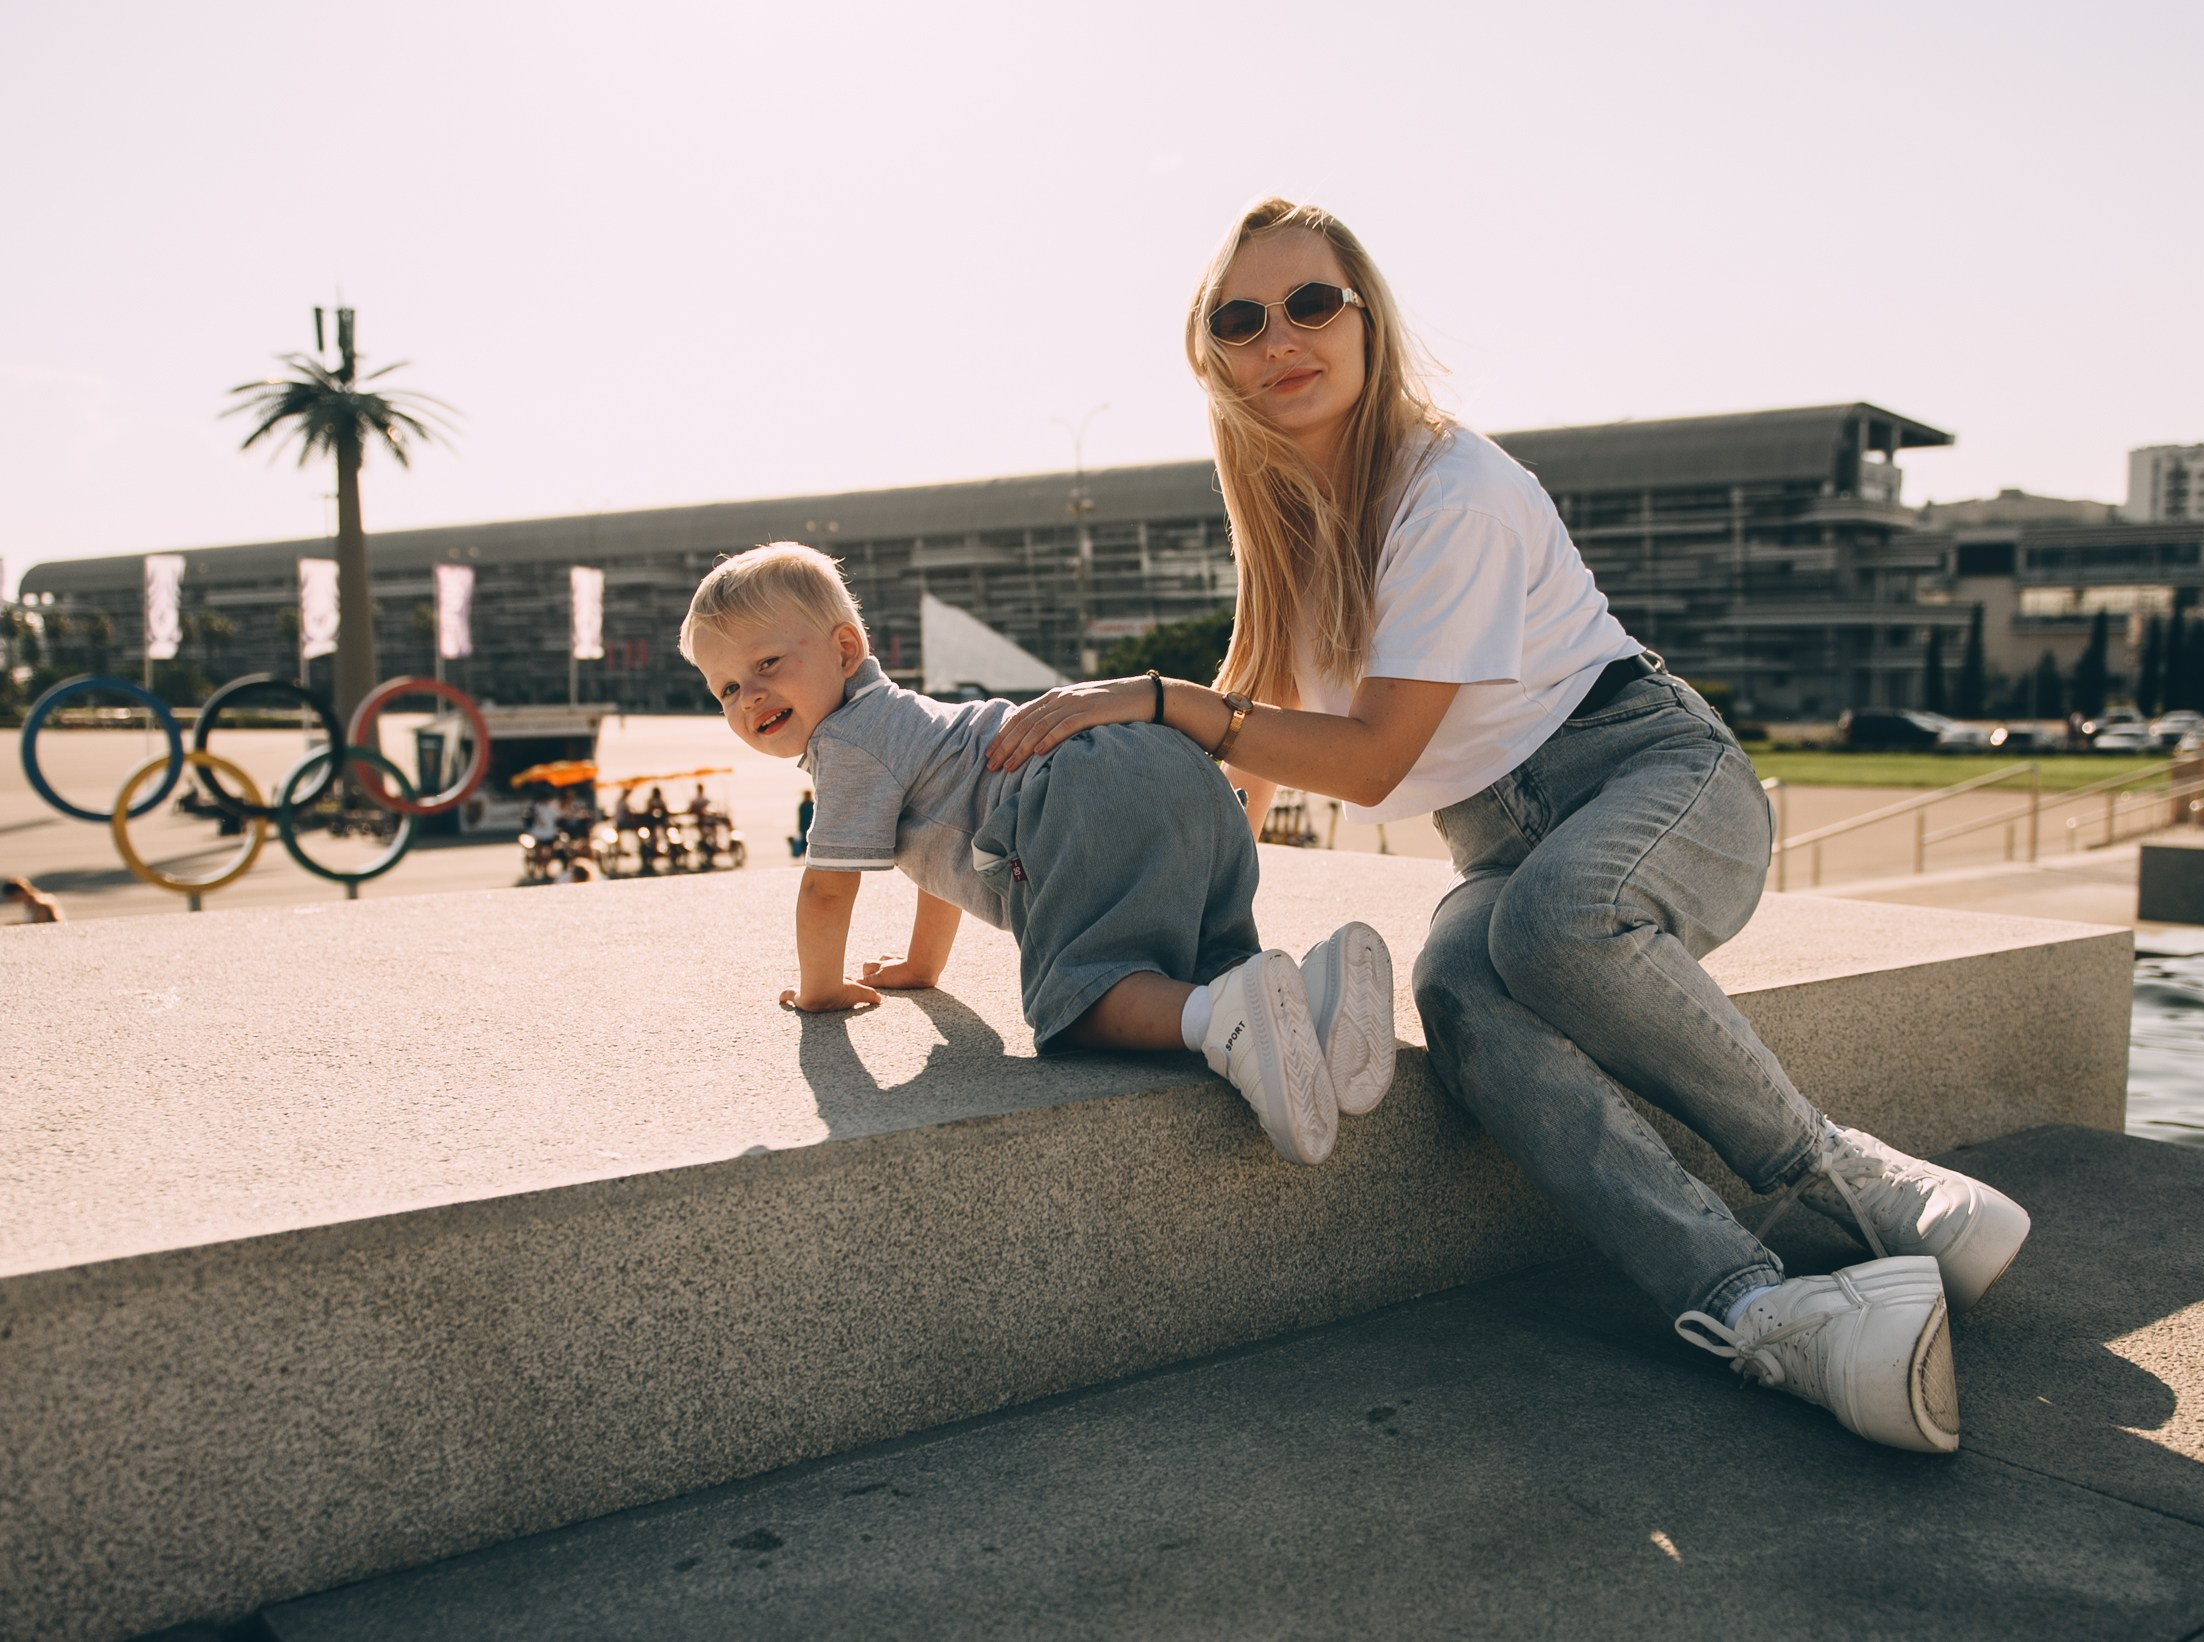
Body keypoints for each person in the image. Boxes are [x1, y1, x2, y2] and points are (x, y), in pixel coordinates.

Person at [983, 198, 2031, 1454]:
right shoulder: (1288, 513)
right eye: (1240, 321)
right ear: (1213, 357)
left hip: (1655, 775)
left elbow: (1369, 757)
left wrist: (1156, 699)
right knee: (1458, 991)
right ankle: (1753, 1306)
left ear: (1367, 319)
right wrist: (1218, 963)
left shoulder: (1454, 493)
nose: (1280, 340)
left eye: (1311, 304)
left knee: (1550, 926)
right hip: (1503, 840)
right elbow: (1253, 721)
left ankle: (1848, 1178)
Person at [679, 542, 1396, 1165]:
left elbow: (827, 890)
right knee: (1201, 962)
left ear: (844, 650)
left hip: (1079, 797)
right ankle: (1315, 1002)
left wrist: (820, 991)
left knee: (1082, 1000)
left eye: (767, 663)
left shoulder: (848, 742)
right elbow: (943, 856)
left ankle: (1227, 1021)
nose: (751, 697)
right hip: (1174, 767)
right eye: (727, 689)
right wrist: (923, 969)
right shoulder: (911, 722)